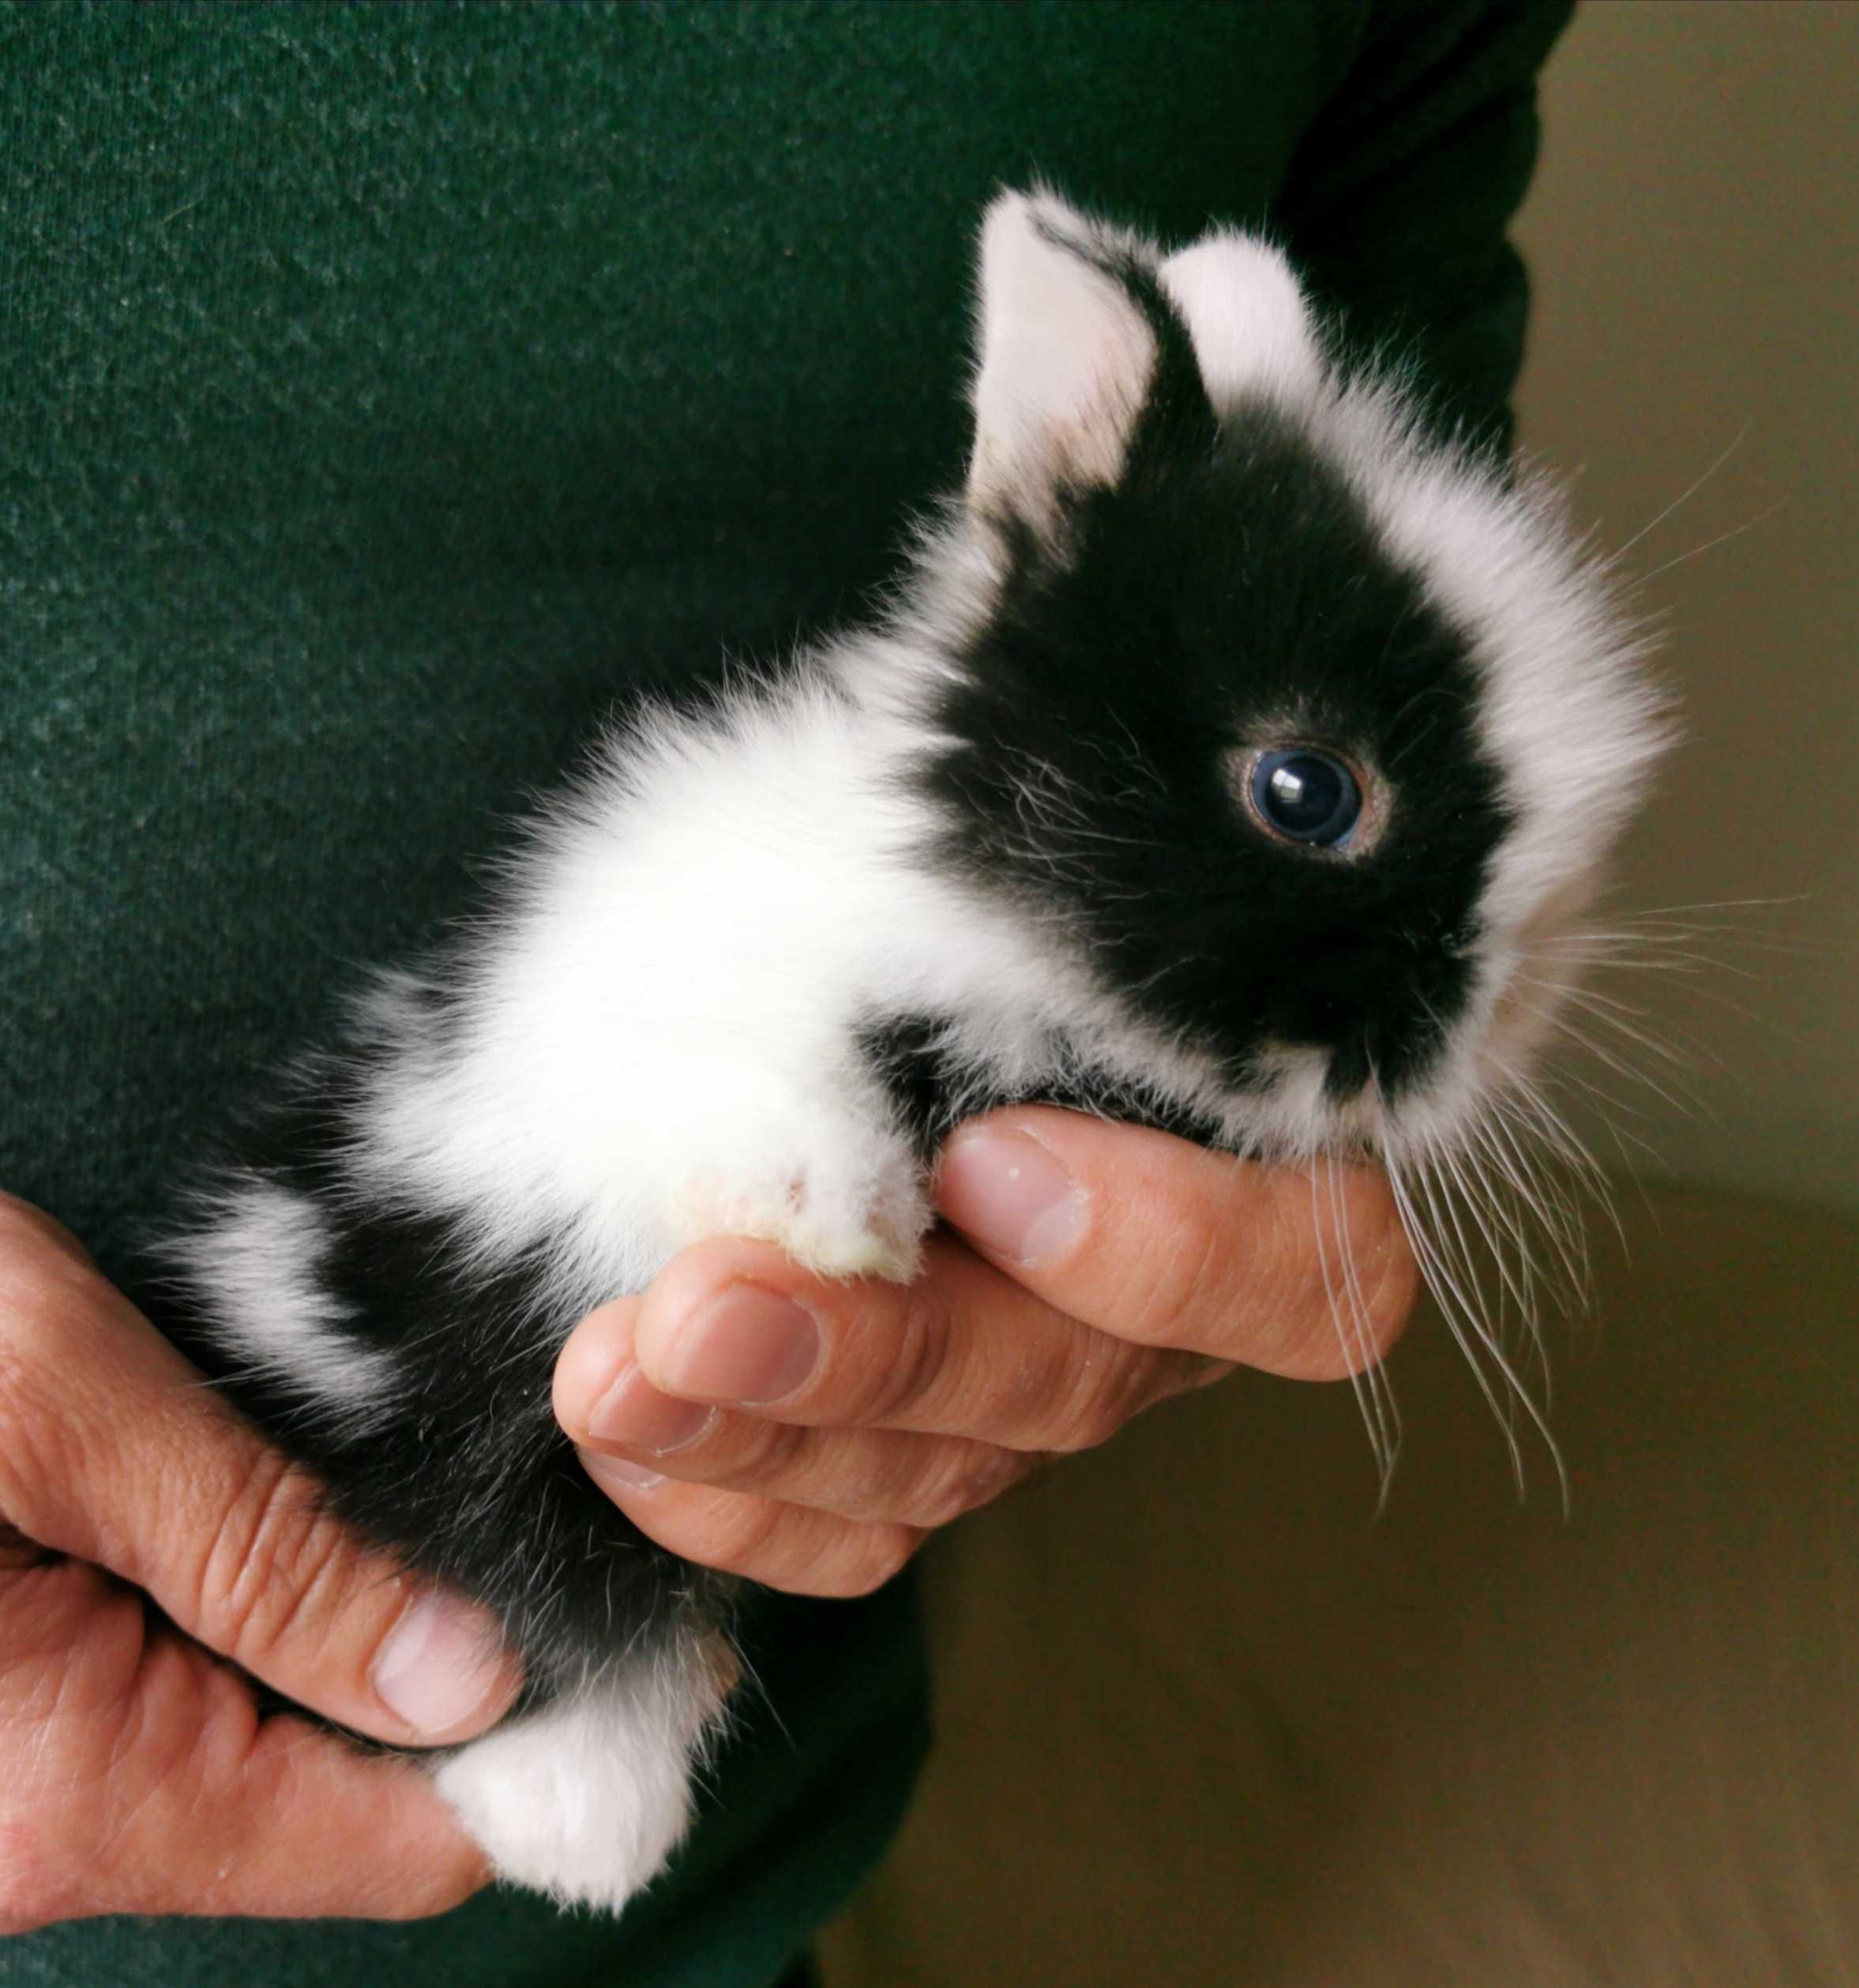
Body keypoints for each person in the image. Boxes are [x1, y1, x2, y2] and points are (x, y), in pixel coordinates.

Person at [0, 1, 1572, 1979]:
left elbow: (1398, 507)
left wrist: (1189, 1245)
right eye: (1299, 800)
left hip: (738, 1903)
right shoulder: (826, 875)